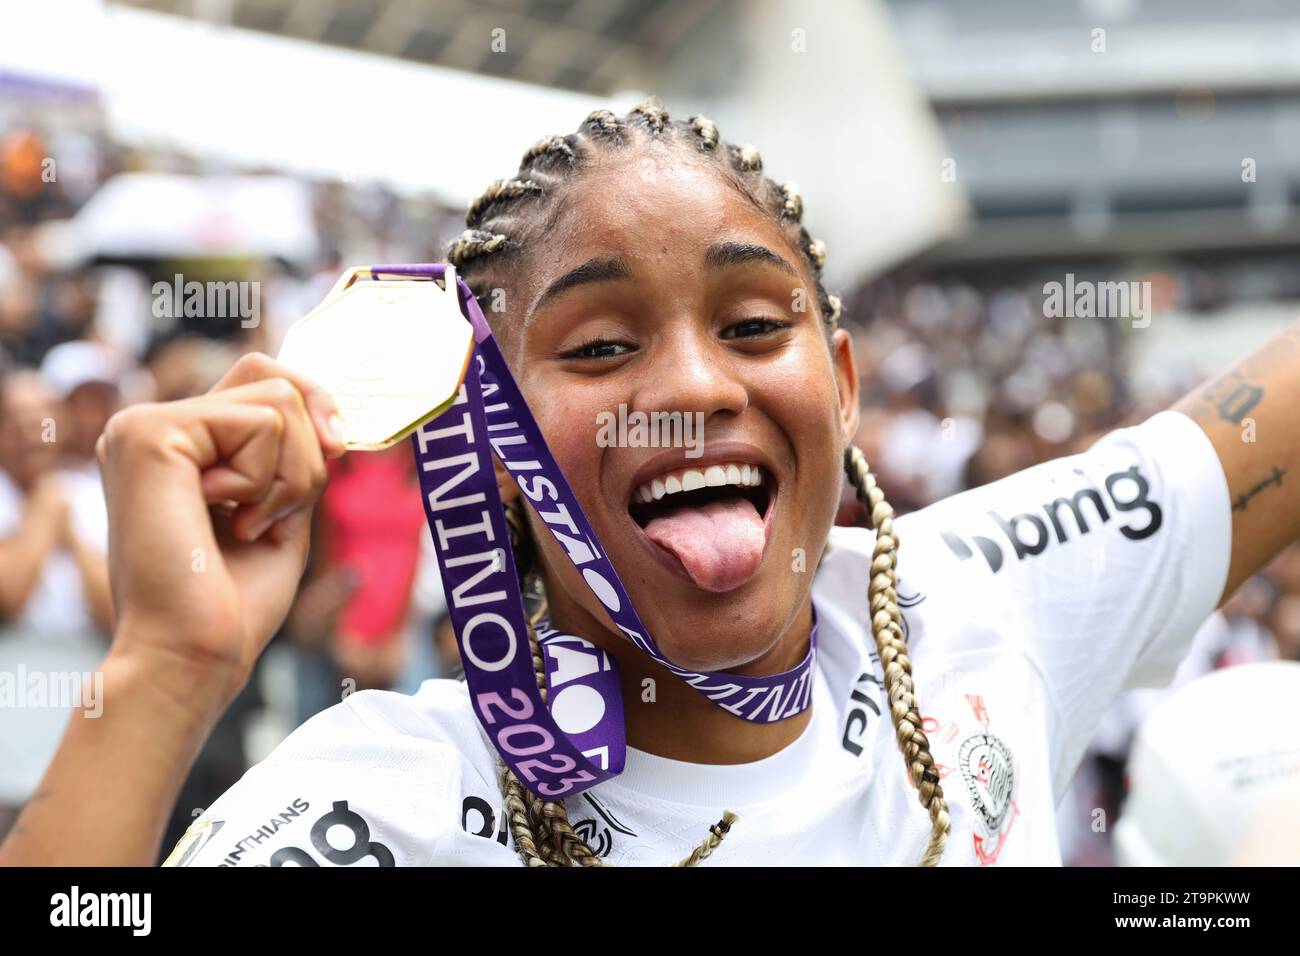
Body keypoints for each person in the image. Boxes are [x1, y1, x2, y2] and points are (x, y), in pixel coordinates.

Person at [4, 101, 1300, 867]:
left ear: (842, 382)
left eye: (752, 326)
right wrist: (168, 670)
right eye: (603, 346)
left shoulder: (986, 605)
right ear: (488, 442)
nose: (692, 386)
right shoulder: (385, 807)